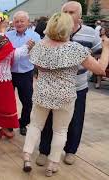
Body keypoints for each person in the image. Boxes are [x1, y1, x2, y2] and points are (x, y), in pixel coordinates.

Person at [22, 12, 109, 177]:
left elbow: (35, 64)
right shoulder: (75, 49)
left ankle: (27, 156)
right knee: (60, 131)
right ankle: (52, 164)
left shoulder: (40, 45)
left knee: (35, 125)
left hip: (42, 93)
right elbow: (100, 69)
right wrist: (106, 48)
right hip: (65, 96)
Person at [36, 1, 103, 167]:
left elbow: (99, 50)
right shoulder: (51, 31)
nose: (67, 14)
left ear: (80, 16)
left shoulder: (89, 33)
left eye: (71, 12)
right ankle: (44, 151)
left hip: (78, 86)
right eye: (64, 11)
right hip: (52, 88)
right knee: (48, 121)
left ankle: (71, 151)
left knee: (75, 121)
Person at [5, 11, 41, 136]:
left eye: (22, 21)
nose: (19, 23)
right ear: (13, 23)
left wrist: (32, 51)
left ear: (28, 22)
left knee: (27, 101)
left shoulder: (35, 36)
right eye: (17, 21)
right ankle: (9, 124)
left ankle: (23, 123)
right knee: (8, 101)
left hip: (26, 73)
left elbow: (39, 55)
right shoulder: (7, 35)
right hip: (8, 73)